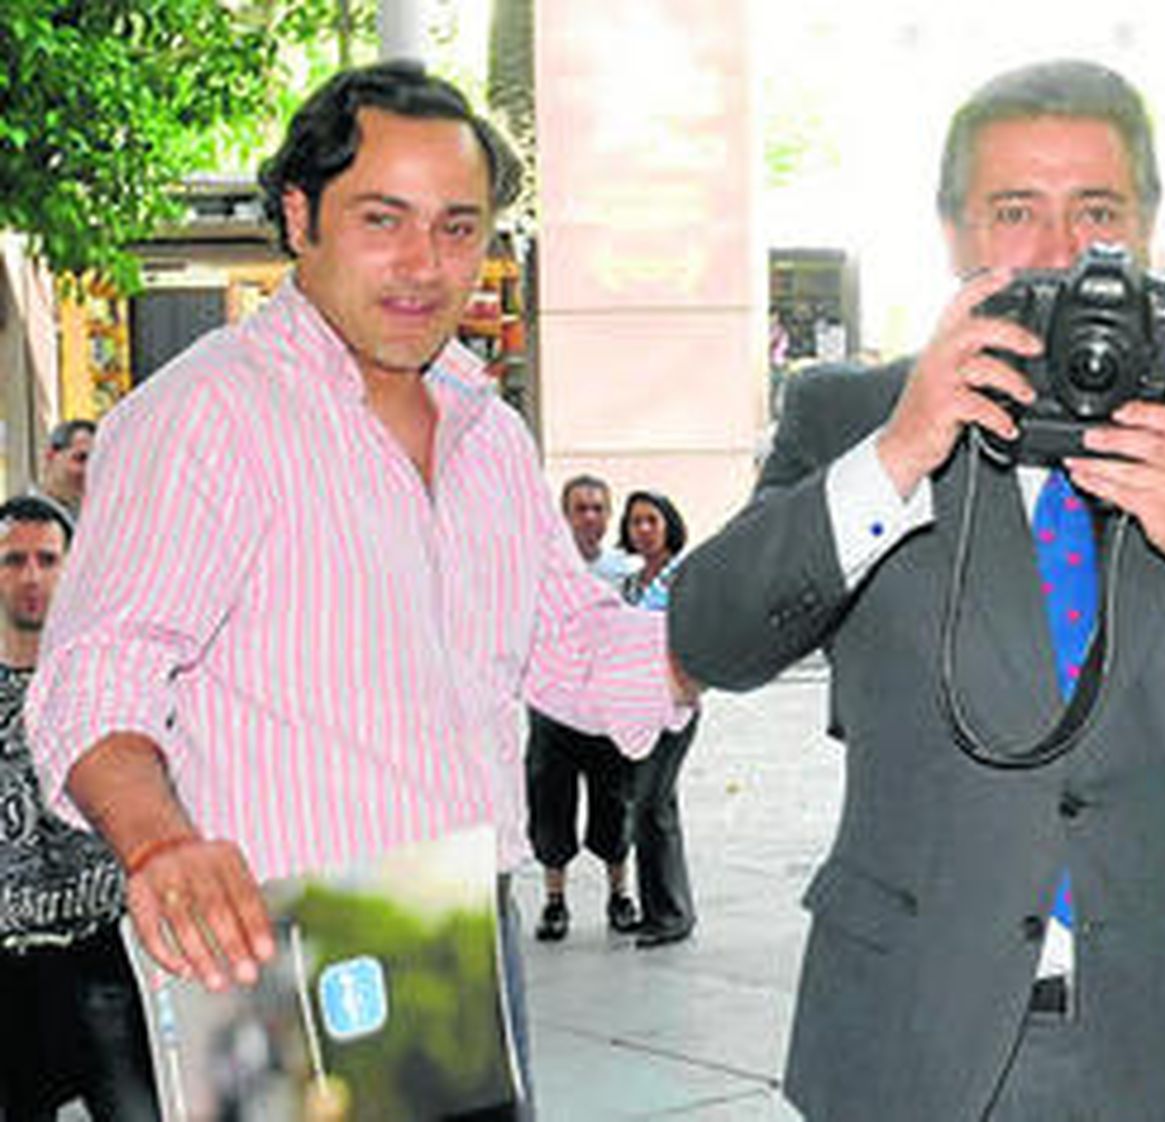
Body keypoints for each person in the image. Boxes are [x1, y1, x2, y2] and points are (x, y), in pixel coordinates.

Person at [668, 59, 1165, 1120]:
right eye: (1014, 210)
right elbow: (707, 637)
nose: (1060, 249)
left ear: (1148, 226)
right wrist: (892, 460)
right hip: (909, 1041)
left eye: (1097, 209)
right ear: (951, 232)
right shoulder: (848, 416)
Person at [25, 62, 690, 1120]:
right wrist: (157, 842)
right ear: (301, 216)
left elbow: (572, 650)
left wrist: (789, 578)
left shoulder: (489, 433)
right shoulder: (206, 417)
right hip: (284, 950)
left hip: (465, 938)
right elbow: (95, 675)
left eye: (458, 228)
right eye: (384, 219)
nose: (424, 266)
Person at [0, 495, 159, 1121]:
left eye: (47, 559)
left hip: (106, 954)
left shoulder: (108, 678)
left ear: (74, 567)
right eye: (13, 561)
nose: (32, 576)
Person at [526, 474, 642, 942]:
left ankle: (620, 894)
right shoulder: (545, 567)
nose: (590, 517)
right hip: (554, 708)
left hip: (605, 713)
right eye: (581, 508)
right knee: (550, 803)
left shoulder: (625, 569)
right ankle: (555, 902)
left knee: (615, 803)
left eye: (598, 508)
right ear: (565, 515)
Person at [619, 490, 700, 947]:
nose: (643, 530)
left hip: (675, 707)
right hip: (635, 707)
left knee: (652, 805)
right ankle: (661, 910)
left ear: (669, 523)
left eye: (651, 520)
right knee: (650, 808)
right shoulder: (629, 583)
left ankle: (671, 914)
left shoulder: (684, 576)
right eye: (635, 523)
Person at [32, 418, 95, 522]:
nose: (87, 471)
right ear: (51, 455)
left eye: (95, 463)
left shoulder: (92, 517)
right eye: (80, 458)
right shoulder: (24, 517)